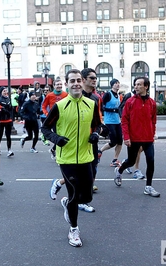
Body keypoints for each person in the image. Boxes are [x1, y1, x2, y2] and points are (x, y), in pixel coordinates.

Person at [41, 69, 102, 247]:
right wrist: (56, 139)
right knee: (74, 194)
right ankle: (74, 230)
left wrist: (96, 135)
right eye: (72, 81)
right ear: (67, 84)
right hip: (66, 159)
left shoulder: (91, 104)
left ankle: (68, 203)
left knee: (88, 197)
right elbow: (44, 129)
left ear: (82, 82)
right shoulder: (59, 106)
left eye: (78, 80)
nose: (75, 83)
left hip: (86, 157)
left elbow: (98, 126)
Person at [114, 76, 160, 197]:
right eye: (135, 84)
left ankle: (148, 187)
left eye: (139, 84)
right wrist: (126, 137)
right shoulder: (130, 101)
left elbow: (153, 120)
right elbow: (124, 121)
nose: (136, 87)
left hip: (148, 138)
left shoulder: (152, 103)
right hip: (134, 138)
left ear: (146, 87)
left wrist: (153, 133)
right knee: (131, 161)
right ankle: (119, 170)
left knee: (151, 161)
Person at [98, 78, 123, 168]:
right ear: (112, 85)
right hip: (109, 121)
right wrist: (112, 110)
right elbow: (102, 107)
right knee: (113, 142)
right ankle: (100, 151)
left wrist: (121, 114)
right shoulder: (108, 94)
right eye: (116, 83)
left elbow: (119, 108)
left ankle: (115, 160)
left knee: (120, 141)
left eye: (118, 83)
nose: (117, 84)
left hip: (117, 121)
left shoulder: (118, 95)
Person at [42, 77, 67, 160]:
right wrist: (46, 113)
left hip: (64, 119)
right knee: (58, 136)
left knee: (64, 136)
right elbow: (43, 106)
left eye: (60, 84)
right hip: (54, 120)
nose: (59, 86)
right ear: (54, 86)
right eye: (57, 84)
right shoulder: (49, 95)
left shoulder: (65, 94)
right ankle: (60, 156)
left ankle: (53, 149)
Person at [0, 87, 14, 157]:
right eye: (4, 91)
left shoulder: (8, 99)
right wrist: (4, 110)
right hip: (1, 120)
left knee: (8, 136)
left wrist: (11, 118)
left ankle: (9, 150)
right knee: (0, 135)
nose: (5, 92)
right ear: (1, 92)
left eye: (6, 91)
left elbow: (11, 109)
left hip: (8, 120)